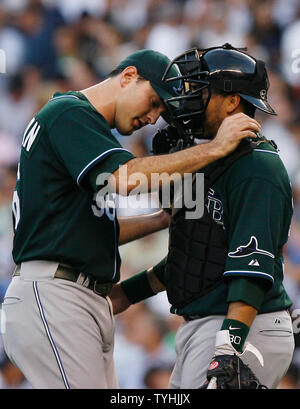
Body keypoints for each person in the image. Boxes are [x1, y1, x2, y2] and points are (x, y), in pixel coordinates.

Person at [0, 48, 258, 389]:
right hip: (54, 294)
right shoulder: (69, 112)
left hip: (74, 294)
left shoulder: (84, 130)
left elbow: (92, 229)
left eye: (159, 111)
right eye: (153, 101)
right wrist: (214, 148)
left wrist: (161, 219)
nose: (152, 118)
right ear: (128, 76)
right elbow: (122, 178)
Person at [111, 44, 295, 389]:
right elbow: (193, 261)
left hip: (245, 325)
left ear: (232, 101)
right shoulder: (209, 160)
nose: (188, 99)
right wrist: (124, 295)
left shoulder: (258, 166)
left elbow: (251, 267)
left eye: (201, 90)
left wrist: (228, 350)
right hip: (206, 324)